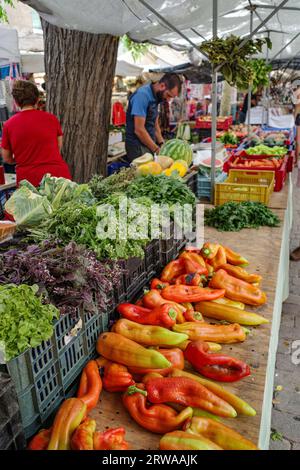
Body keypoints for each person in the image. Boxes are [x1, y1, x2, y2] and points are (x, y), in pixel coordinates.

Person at [1, 80, 71, 187]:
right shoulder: (51, 119)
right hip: (57, 176)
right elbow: (58, 148)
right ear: (37, 99)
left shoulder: (8, 125)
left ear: (16, 102)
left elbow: (6, 158)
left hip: (29, 180)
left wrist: (23, 159)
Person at [125, 73, 182, 161]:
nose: (168, 100)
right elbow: (139, 130)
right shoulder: (142, 95)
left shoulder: (156, 97)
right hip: (137, 147)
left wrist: (162, 144)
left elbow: (155, 125)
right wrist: (156, 149)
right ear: (162, 86)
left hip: (148, 145)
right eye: (168, 95)